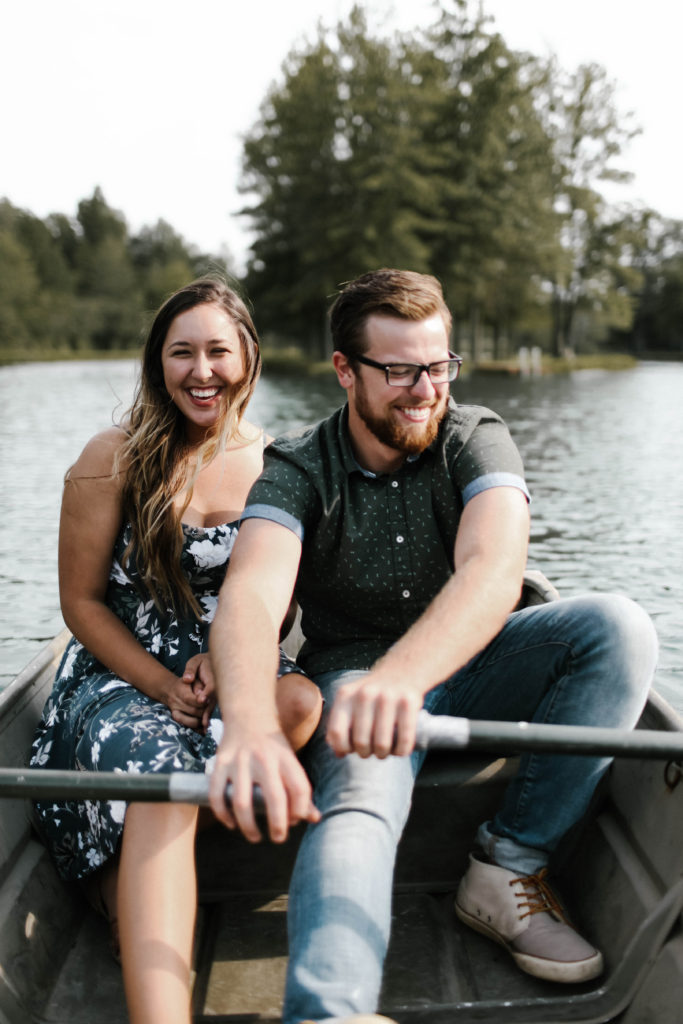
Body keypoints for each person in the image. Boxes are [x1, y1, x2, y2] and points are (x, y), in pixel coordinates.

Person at [208, 268, 658, 1023]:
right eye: (399, 371)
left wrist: (403, 677)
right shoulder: (295, 466)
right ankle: (329, 1011)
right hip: (353, 679)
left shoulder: (472, 434)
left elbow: (493, 567)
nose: (425, 389)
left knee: (615, 627)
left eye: (438, 366)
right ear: (345, 372)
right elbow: (251, 594)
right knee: (361, 790)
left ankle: (506, 865)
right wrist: (250, 723)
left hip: (476, 665)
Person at [30, 278, 322, 1024]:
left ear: (248, 357)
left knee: (299, 702)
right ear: (157, 363)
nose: (201, 370)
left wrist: (227, 663)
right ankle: (150, 954)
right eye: (181, 352)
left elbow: (277, 595)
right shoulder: (113, 455)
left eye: (217, 350)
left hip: (234, 660)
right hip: (121, 664)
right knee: (160, 754)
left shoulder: (281, 463)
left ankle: (136, 881)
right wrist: (161, 682)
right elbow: (82, 604)